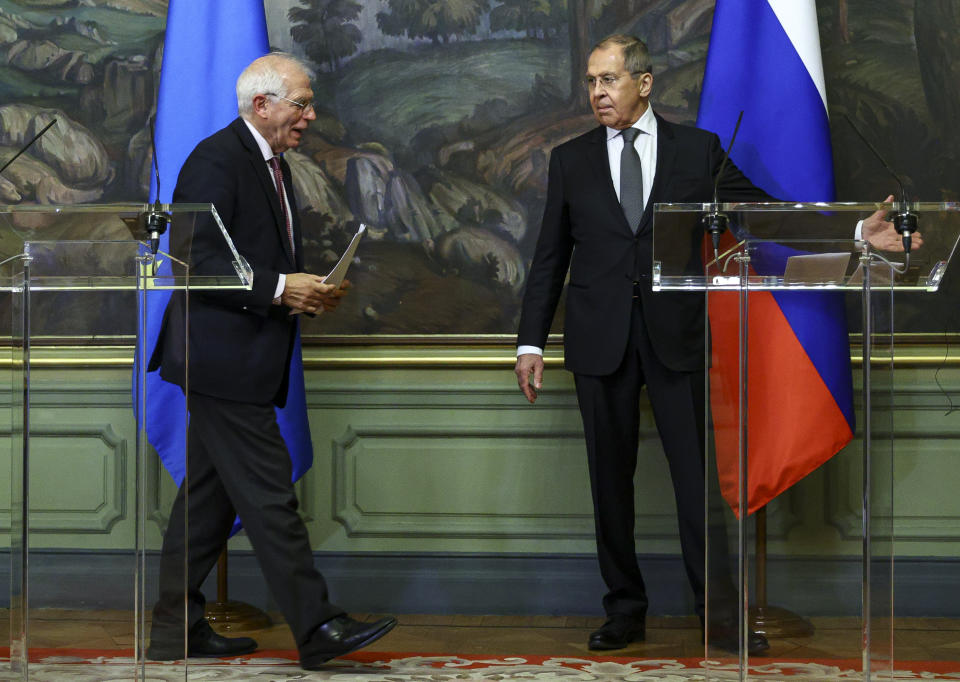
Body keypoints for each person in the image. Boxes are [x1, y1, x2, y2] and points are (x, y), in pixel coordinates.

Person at [514, 34, 914, 654]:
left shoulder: (696, 152)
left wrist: (858, 229)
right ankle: (625, 611)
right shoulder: (570, 160)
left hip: (677, 339)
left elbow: (768, 216)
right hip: (599, 341)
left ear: (644, 83)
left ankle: (717, 615)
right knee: (609, 487)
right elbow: (549, 260)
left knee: (697, 487)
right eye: (591, 81)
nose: (596, 92)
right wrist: (529, 345)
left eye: (608, 80)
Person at [146, 52, 395, 671]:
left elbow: (249, 259)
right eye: (301, 103)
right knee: (268, 494)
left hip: (243, 355)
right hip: (220, 359)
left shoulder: (271, 162)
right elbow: (192, 265)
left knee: (206, 503)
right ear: (263, 105)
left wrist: (303, 289)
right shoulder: (216, 159)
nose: (310, 115)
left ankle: (175, 629)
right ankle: (317, 627)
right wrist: (282, 288)